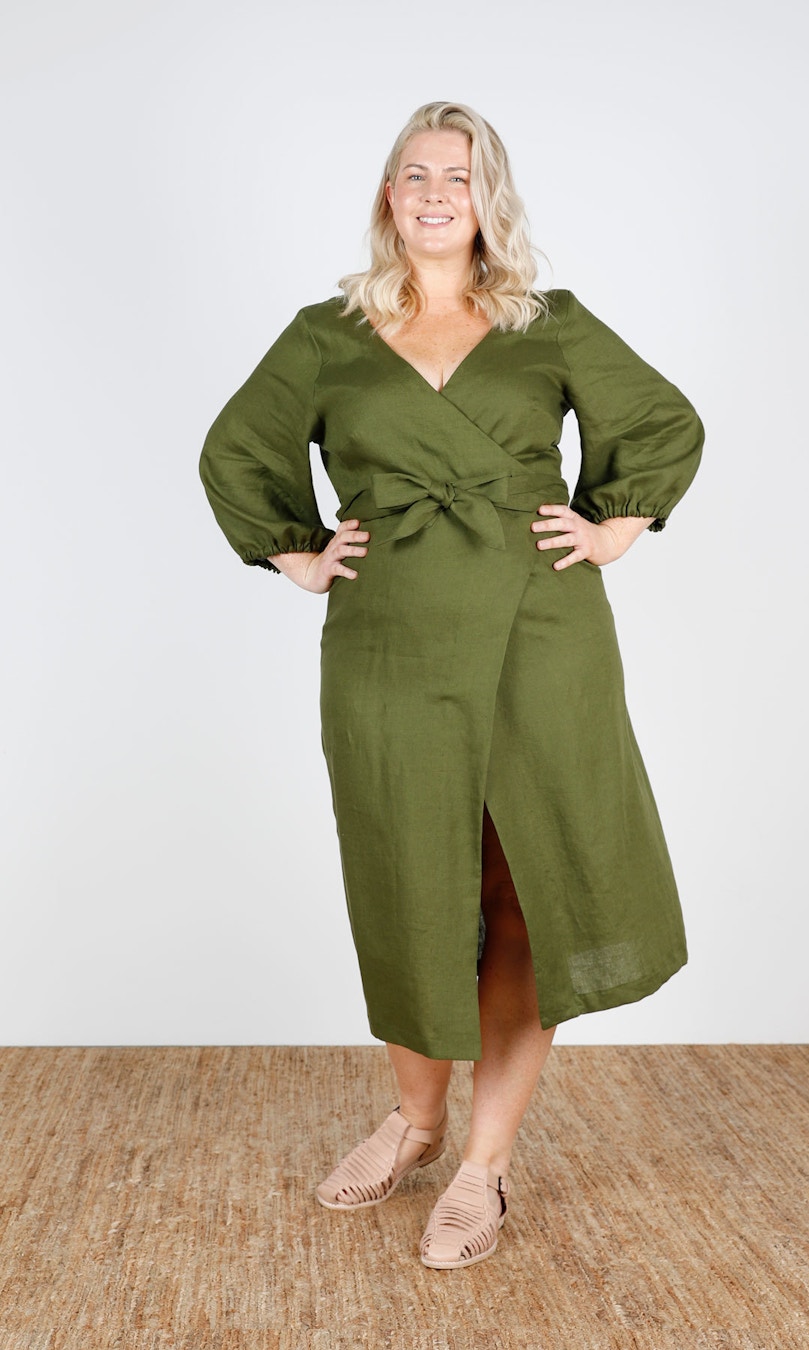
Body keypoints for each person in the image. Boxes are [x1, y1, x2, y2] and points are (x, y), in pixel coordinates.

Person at [199, 101, 704, 1270]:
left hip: (539, 629)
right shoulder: (326, 333)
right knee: (408, 878)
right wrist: (297, 550)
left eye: (460, 176)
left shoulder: (547, 322)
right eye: (417, 173)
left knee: (528, 879)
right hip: (390, 634)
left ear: (490, 200)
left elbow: (662, 422)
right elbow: (236, 449)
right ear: (390, 194)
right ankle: (414, 1121)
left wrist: (614, 525)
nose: (437, 193)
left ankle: (483, 1165)